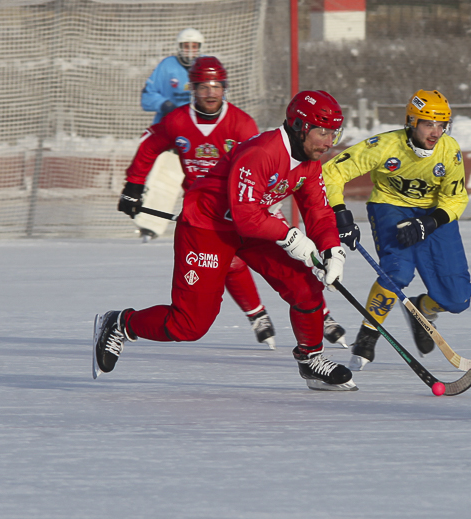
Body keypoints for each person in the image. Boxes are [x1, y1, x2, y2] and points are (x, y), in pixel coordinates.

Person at [94, 90, 355, 391]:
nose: (328, 142)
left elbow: (318, 211)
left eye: (333, 134)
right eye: (322, 132)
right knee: (189, 325)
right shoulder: (263, 152)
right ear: (299, 126)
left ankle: (311, 360)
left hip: (254, 227)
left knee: (305, 287)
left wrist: (331, 249)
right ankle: (120, 323)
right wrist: (290, 236)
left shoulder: (309, 163)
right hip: (208, 229)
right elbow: (245, 214)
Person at [321, 90, 471, 371]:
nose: (435, 132)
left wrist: (431, 222)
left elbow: (456, 198)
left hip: (432, 214)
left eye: (442, 125)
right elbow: (332, 172)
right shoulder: (384, 145)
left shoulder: (449, 150)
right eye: (429, 124)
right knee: (398, 271)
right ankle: (369, 333)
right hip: (391, 207)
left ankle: (422, 310)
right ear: (411, 122)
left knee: (457, 298)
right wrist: (340, 213)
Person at [133, 27, 206, 241]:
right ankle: (149, 226)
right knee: (164, 180)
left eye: (194, 47)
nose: (190, 50)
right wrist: (163, 103)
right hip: (169, 134)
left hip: (198, 136)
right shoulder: (167, 66)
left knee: (202, 182)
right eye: (186, 46)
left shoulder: (206, 68)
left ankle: (205, 225)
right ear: (179, 47)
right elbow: (147, 97)